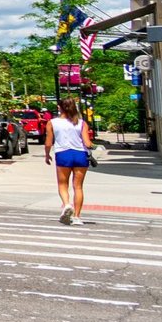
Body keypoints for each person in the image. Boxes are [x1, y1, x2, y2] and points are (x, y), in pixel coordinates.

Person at [46, 95, 94, 225]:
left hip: (63, 154)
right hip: (80, 155)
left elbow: (48, 143)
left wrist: (47, 155)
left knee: (63, 184)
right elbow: (87, 143)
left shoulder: (52, 123)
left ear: (60, 108)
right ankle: (77, 217)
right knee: (78, 187)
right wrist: (94, 146)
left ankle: (67, 204)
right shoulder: (81, 123)